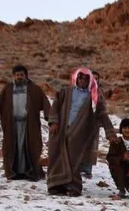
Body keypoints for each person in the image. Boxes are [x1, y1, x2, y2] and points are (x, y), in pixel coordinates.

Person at [46, 67, 117, 197]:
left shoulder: (94, 97)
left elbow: (102, 114)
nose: (82, 80)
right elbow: (55, 105)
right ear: (76, 78)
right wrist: (54, 122)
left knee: (74, 160)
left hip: (79, 133)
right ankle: (55, 186)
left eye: (86, 78)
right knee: (56, 156)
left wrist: (110, 133)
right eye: (80, 77)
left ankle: (74, 187)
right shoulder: (66, 92)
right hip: (61, 130)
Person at [0, 65, 51, 181]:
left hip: (29, 125)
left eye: (21, 75)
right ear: (14, 76)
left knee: (29, 146)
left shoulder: (33, 89)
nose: (19, 77)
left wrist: (49, 116)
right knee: (13, 147)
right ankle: (15, 172)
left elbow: (44, 100)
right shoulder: (8, 89)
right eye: (17, 75)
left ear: (25, 75)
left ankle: (29, 171)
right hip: (12, 125)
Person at [80, 70, 103, 179]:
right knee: (79, 146)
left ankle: (87, 170)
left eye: (96, 78)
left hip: (93, 124)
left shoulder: (99, 93)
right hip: (80, 123)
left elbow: (103, 109)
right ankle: (78, 167)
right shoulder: (82, 91)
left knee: (91, 147)